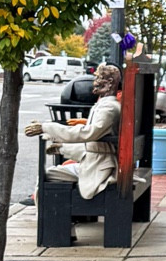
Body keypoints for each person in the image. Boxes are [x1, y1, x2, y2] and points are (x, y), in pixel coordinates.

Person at [25, 64, 122, 199]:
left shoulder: (109, 108)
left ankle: (48, 217)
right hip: (95, 163)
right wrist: (63, 148)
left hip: (99, 168)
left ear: (109, 83)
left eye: (99, 78)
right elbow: (95, 146)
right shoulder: (106, 105)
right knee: (49, 174)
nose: (94, 82)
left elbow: (88, 135)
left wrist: (47, 127)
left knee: (45, 177)